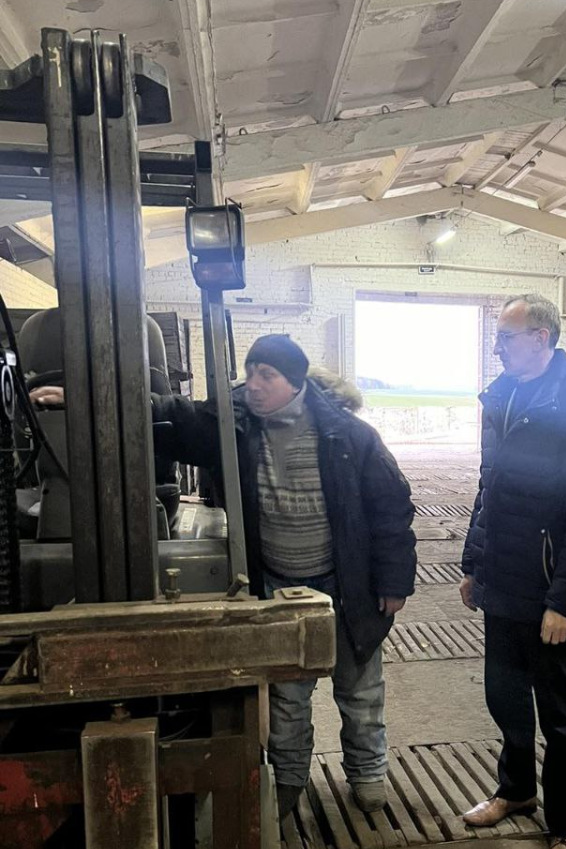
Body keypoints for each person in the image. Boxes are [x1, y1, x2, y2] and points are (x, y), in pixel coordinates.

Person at [32, 335, 417, 819]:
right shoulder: (234, 426)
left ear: (294, 382)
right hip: (277, 585)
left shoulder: (349, 436)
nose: (253, 385)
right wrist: (89, 399)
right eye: (250, 373)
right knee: (287, 698)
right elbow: (171, 414)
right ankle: (288, 781)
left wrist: (393, 582)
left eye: (266, 376)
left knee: (360, 692)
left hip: (347, 588)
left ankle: (367, 775)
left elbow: (391, 509)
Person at [459, 294, 566, 849]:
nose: (497, 347)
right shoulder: (502, 395)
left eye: (506, 336)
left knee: (559, 715)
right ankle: (516, 790)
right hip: (501, 577)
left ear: (542, 338)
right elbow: (489, 485)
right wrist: (474, 563)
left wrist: (564, 600)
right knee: (504, 695)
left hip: (548, 585)